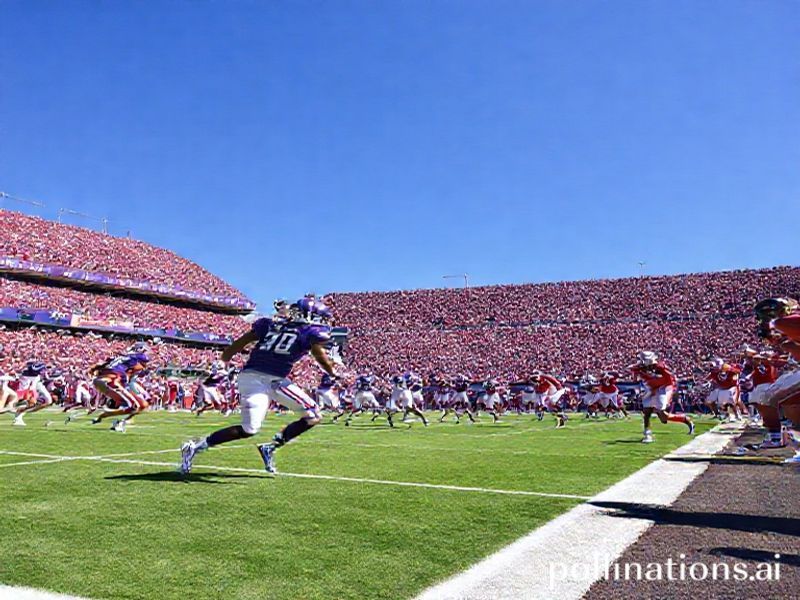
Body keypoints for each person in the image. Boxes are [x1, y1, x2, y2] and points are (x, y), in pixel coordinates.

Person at [180, 297, 338, 475]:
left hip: (251, 377)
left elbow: (241, 342)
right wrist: (332, 372)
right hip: (271, 378)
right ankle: (195, 447)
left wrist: (224, 359)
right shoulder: (308, 332)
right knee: (313, 415)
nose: (321, 322)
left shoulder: (269, 325)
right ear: (309, 316)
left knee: (250, 429)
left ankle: (200, 446)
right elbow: (319, 355)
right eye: (319, 318)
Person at [629, 351, 694, 443]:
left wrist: (672, 390)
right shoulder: (639, 368)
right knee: (647, 412)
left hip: (663, 389)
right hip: (651, 389)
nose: (640, 361)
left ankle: (686, 420)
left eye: (642, 359)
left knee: (662, 415)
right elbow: (633, 375)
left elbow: (671, 379)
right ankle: (647, 435)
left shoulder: (660, 367)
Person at [89, 342, 150, 432]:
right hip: (114, 380)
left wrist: (92, 373)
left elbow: (99, 366)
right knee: (134, 406)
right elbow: (145, 361)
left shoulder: (121, 358)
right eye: (144, 351)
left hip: (107, 380)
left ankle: (107, 416)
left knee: (142, 405)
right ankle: (115, 420)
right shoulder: (136, 357)